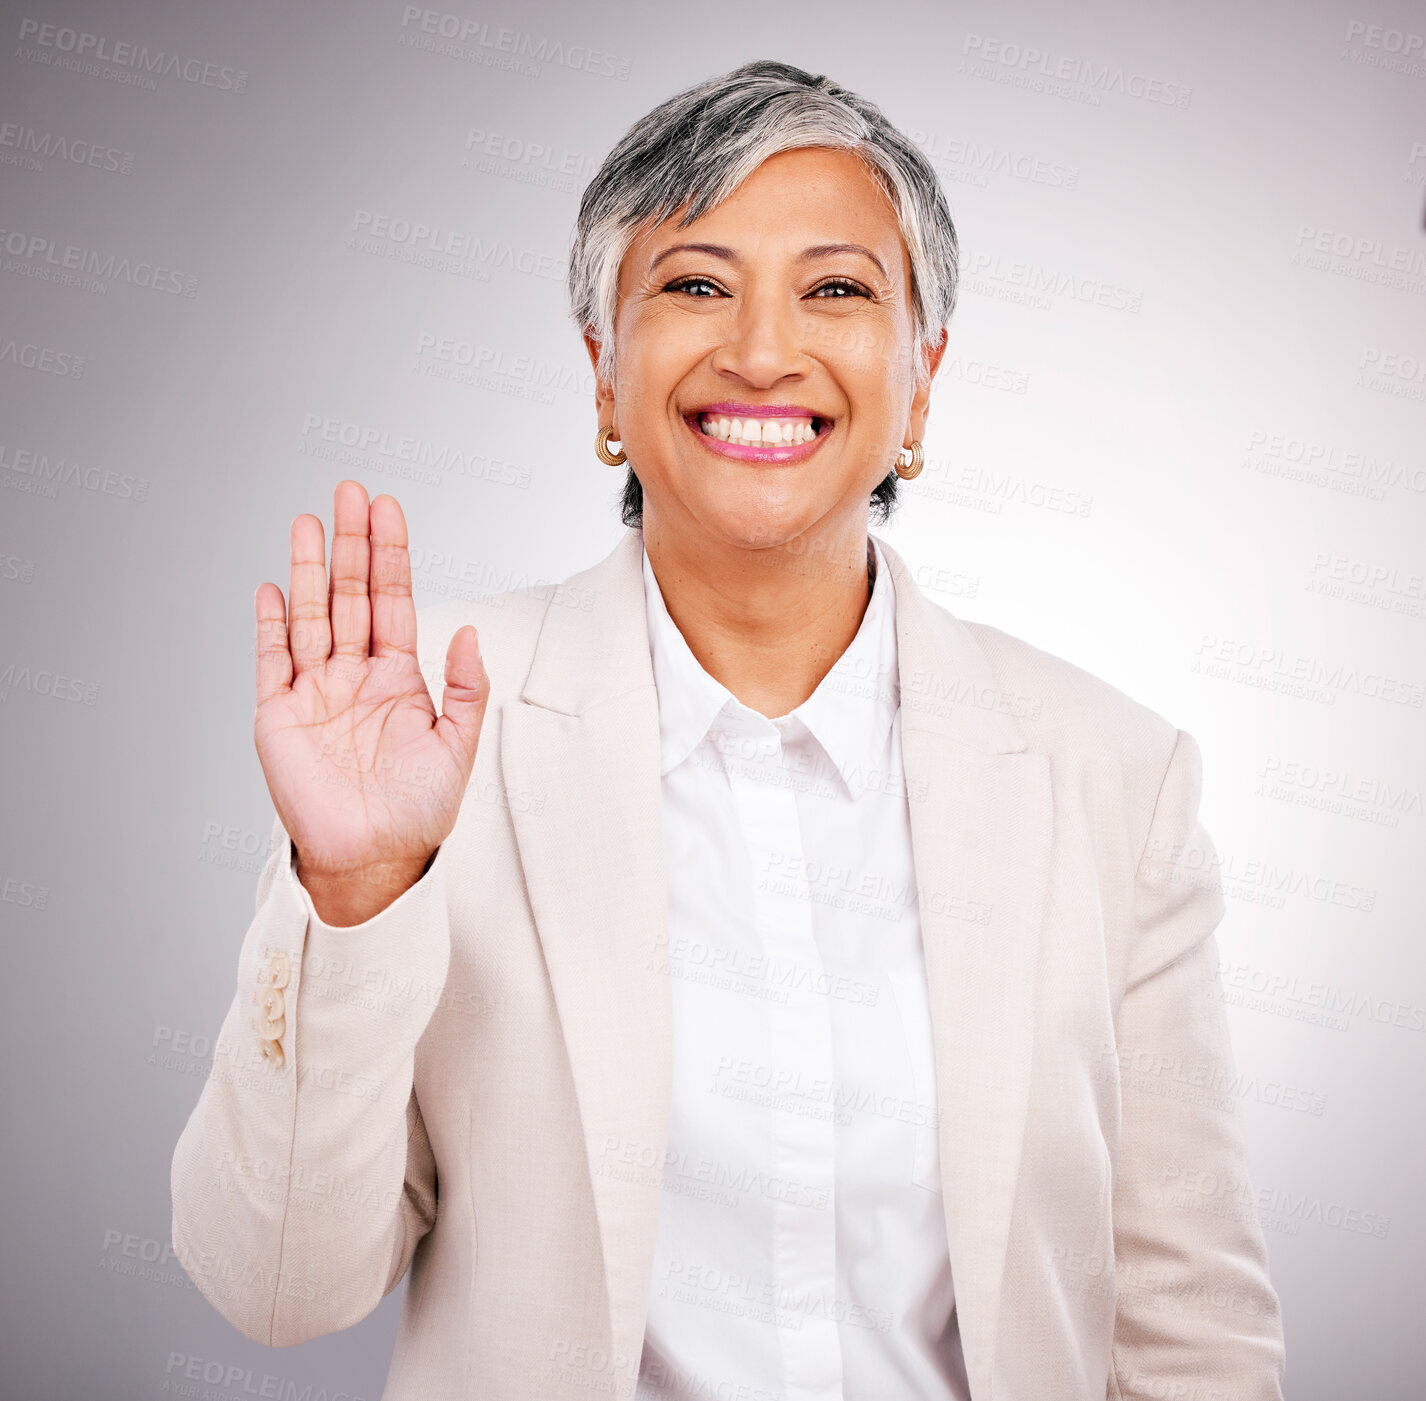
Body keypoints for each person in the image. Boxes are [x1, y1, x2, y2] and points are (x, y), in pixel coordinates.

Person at [171, 60, 1287, 1400]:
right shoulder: (428, 730)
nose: (762, 349)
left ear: (920, 378)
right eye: (694, 284)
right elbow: (279, 1287)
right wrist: (353, 890)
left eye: (836, 289)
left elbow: (1189, 1331)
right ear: (601, 367)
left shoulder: (1113, 778)